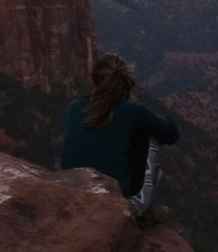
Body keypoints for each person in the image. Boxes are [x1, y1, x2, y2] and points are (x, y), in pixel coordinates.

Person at [60, 53, 179, 223]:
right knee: (151, 136)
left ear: (94, 80)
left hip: (71, 199)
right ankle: (145, 211)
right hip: (118, 208)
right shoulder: (133, 111)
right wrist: (146, 114)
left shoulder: (75, 106)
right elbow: (171, 133)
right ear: (126, 83)